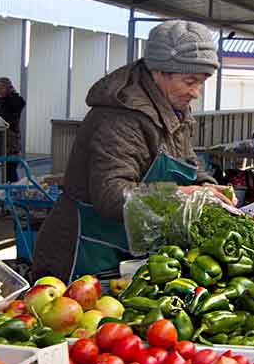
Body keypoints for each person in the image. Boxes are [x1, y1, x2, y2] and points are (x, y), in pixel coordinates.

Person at [33, 20, 233, 280]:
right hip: (83, 254)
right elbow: (111, 194)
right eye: (190, 81)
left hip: (127, 248)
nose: (196, 92)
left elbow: (187, 162)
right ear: (159, 72)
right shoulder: (120, 116)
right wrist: (183, 195)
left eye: (202, 82)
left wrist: (207, 185)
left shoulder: (173, 109)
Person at [0, 77, 26, 185]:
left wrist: (12, 94)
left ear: (9, 88)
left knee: (10, 169)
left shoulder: (17, 100)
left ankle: (13, 195)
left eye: (2, 87)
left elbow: (18, 105)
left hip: (10, 139)